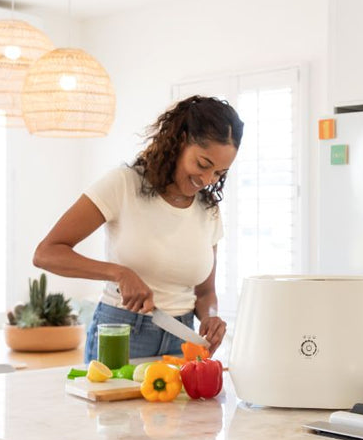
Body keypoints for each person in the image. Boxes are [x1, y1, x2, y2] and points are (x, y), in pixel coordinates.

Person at [34, 95, 244, 360]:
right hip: (122, 333)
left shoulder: (208, 209)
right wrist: (118, 273)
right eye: (203, 164)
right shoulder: (124, 184)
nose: (206, 179)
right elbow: (46, 253)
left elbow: (205, 292)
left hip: (183, 339)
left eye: (219, 173)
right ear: (180, 140)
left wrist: (211, 318)